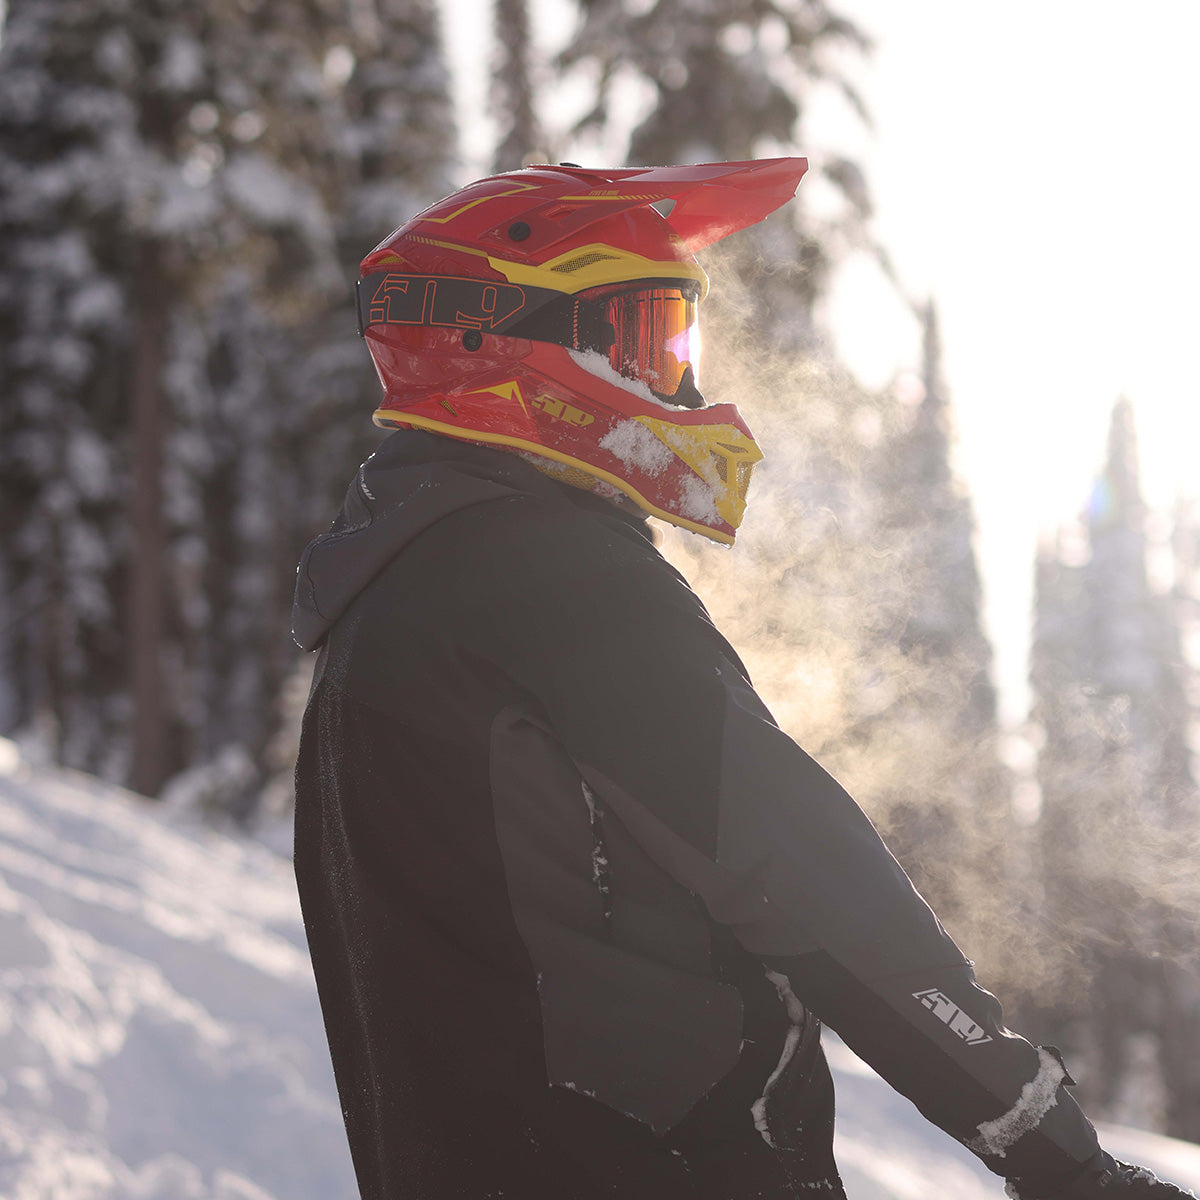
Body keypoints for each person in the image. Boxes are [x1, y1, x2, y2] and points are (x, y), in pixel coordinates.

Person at [291, 160, 1192, 1200]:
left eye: (678, 339)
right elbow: (805, 877)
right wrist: (1060, 1158)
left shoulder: (381, 608)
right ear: (493, 342)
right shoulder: (553, 579)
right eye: (643, 339)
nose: (672, 383)